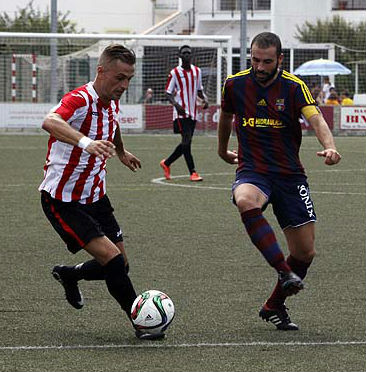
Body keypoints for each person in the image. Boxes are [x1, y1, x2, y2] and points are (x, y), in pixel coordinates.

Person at [39, 44, 163, 340]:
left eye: (129, 79)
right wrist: (86, 142)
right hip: (63, 200)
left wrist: (120, 151)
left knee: (122, 264)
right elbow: (50, 121)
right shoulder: (79, 98)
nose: (124, 85)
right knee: (113, 261)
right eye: (119, 78)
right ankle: (142, 323)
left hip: (96, 196)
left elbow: (112, 124)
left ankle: (70, 274)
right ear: (101, 71)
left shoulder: (111, 100)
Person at [218, 32, 341, 331]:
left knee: (304, 252)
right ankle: (284, 272)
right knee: (246, 199)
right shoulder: (234, 84)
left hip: (289, 174)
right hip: (253, 170)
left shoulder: (293, 86)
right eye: (255, 60)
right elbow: (226, 117)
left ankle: (274, 305)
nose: (259, 67)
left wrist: (331, 145)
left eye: (267, 61)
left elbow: (316, 119)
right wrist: (221, 150)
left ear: (280, 60)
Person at [160, 45, 209, 182]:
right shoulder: (175, 72)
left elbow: (199, 90)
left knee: (186, 143)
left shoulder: (197, 71)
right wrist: (176, 105)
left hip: (193, 113)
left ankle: (167, 163)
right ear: (180, 56)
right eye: (184, 53)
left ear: (191, 55)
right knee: (186, 143)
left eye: (188, 53)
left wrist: (205, 100)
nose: (186, 55)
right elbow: (168, 93)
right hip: (181, 113)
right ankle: (193, 172)